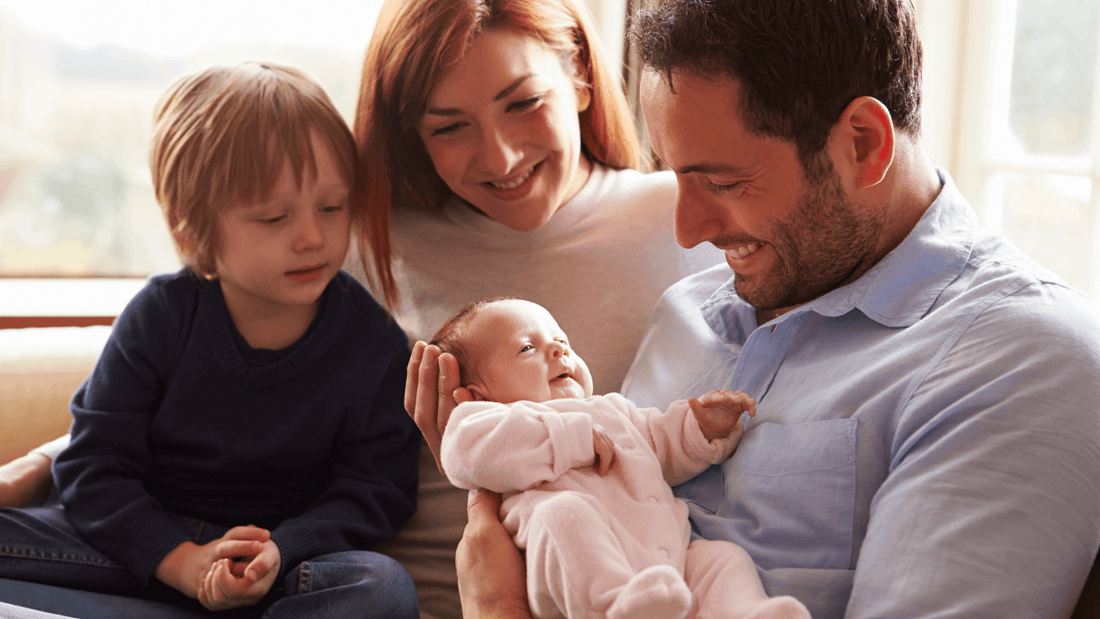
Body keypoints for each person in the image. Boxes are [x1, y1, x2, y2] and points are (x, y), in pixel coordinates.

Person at [0, 0, 724, 616]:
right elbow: (166, 381)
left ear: (582, 77)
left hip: (421, 578)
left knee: (373, 588)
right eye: (449, 126)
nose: (499, 157)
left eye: (524, 102)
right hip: (213, 553)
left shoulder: (685, 219)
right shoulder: (366, 240)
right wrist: (49, 460)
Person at [421, 0, 1100, 617]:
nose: (687, 232)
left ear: (862, 143)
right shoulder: (688, 311)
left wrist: (498, 607)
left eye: (722, 180)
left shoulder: (1022, 359)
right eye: (678, 176)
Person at [0, 62, 421, 618]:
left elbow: (377, 489)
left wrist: (280, 550)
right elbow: (93, 465)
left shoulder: (374, 342)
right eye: (274, 217)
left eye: (332, 207)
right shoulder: (161, 316)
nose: (313, 237)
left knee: (380, 588)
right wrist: (180, 563)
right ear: (189, 228)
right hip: (144, 552)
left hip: (281, 569)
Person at [432, 298, 810, 619]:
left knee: (721, 558)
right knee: (564, 515)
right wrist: (570, 437)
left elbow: (661, 443)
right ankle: (611, 605)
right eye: (527, 348)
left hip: (668, 557)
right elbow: (463, 453)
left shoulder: (614, 410)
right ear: (478, 395)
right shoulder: (484, 421)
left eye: (562, 341)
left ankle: (746, 611)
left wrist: (702, 428)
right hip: (569, 564)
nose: (558, 351)